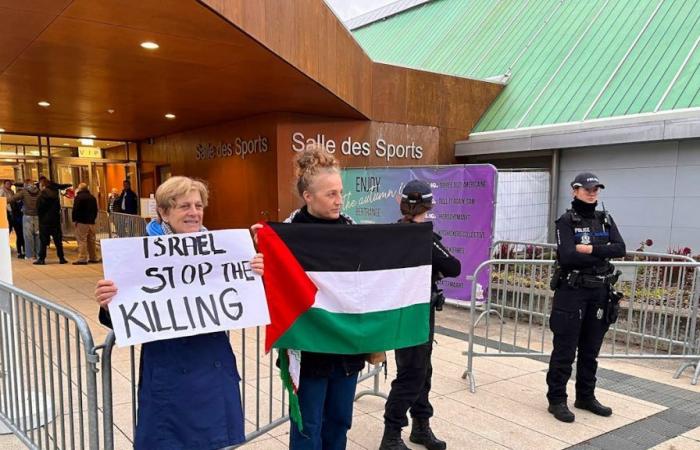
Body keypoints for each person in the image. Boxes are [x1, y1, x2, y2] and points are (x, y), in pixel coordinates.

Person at [94, 176, 264, 450]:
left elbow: (245, 299)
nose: (194, 212)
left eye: (198, 205)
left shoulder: (222, 251)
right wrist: (108, 303)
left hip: (212, 364)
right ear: (163, 212)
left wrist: (254, 273)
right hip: (169, 369)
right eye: (184, 206)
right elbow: (127, 315)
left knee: (213, 441)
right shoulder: (138, 256)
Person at [280, 144, 366, 450]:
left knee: (339, 422)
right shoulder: (287, 235)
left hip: (345, 349)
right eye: (330, 194)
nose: (339, 200)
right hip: (310, 350)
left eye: (340, 192)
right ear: (308, 196)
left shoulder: (352, 230)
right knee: (307, 427)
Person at [380, 180, 461, 450]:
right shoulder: (423, 236)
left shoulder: (392, 234)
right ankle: (391, 433)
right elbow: (453, 266)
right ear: (430, 205)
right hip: (414, 313)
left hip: (402, 311)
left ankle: (420, 426)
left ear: (401, 203)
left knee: (420, 370)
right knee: (413, 372)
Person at [546, 172, 626, 423]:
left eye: (596, 189)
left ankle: (585, 396)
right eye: (588, 189)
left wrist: (590, 249)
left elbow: (620, 249)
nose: (592, 193)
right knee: (565, 349)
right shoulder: (566, 221)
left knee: (591, 349)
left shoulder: (605, 218)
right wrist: (603, 253)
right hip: (572, 291)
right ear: (575, 190)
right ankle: (557, 399)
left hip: (600, 292)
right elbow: (568, 256)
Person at [35, 176, 68, 265]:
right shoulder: (55, 194)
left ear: (43, 186)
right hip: (55, 220)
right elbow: (58, 208)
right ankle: (61, 258)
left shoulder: (42, 196)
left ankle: (41, 259)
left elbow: (39, 209)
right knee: (58, 241)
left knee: (43, 241)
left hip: (44, 221)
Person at [71, 183, 99, 265]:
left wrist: (75, 220)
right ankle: (93, 257)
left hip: (82, 222)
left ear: (80, 189)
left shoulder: (78, 197)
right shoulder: (92, 197)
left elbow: (75, 209)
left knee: (82, 240)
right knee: (91, 240)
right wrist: (93, 219)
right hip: (91, 222)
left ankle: (82, 258)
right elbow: (95, 209)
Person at [12, 179, 40, 260]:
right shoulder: (39, 191)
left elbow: (13, 198)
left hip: (27, 216)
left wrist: (3, 201)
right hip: (37, 216)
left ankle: (30, 255)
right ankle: (38, 254)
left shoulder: (24, 192)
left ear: (26, 184)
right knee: (37, 236)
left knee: (28, 236)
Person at [9, 193, 24, 258]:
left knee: (23, 236)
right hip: (16, 222)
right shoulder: (13, 203)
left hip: (22, 221)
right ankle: (19, 252)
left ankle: (24, 251)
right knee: (19, 236)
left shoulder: (23, 202)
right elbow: (14, 211)